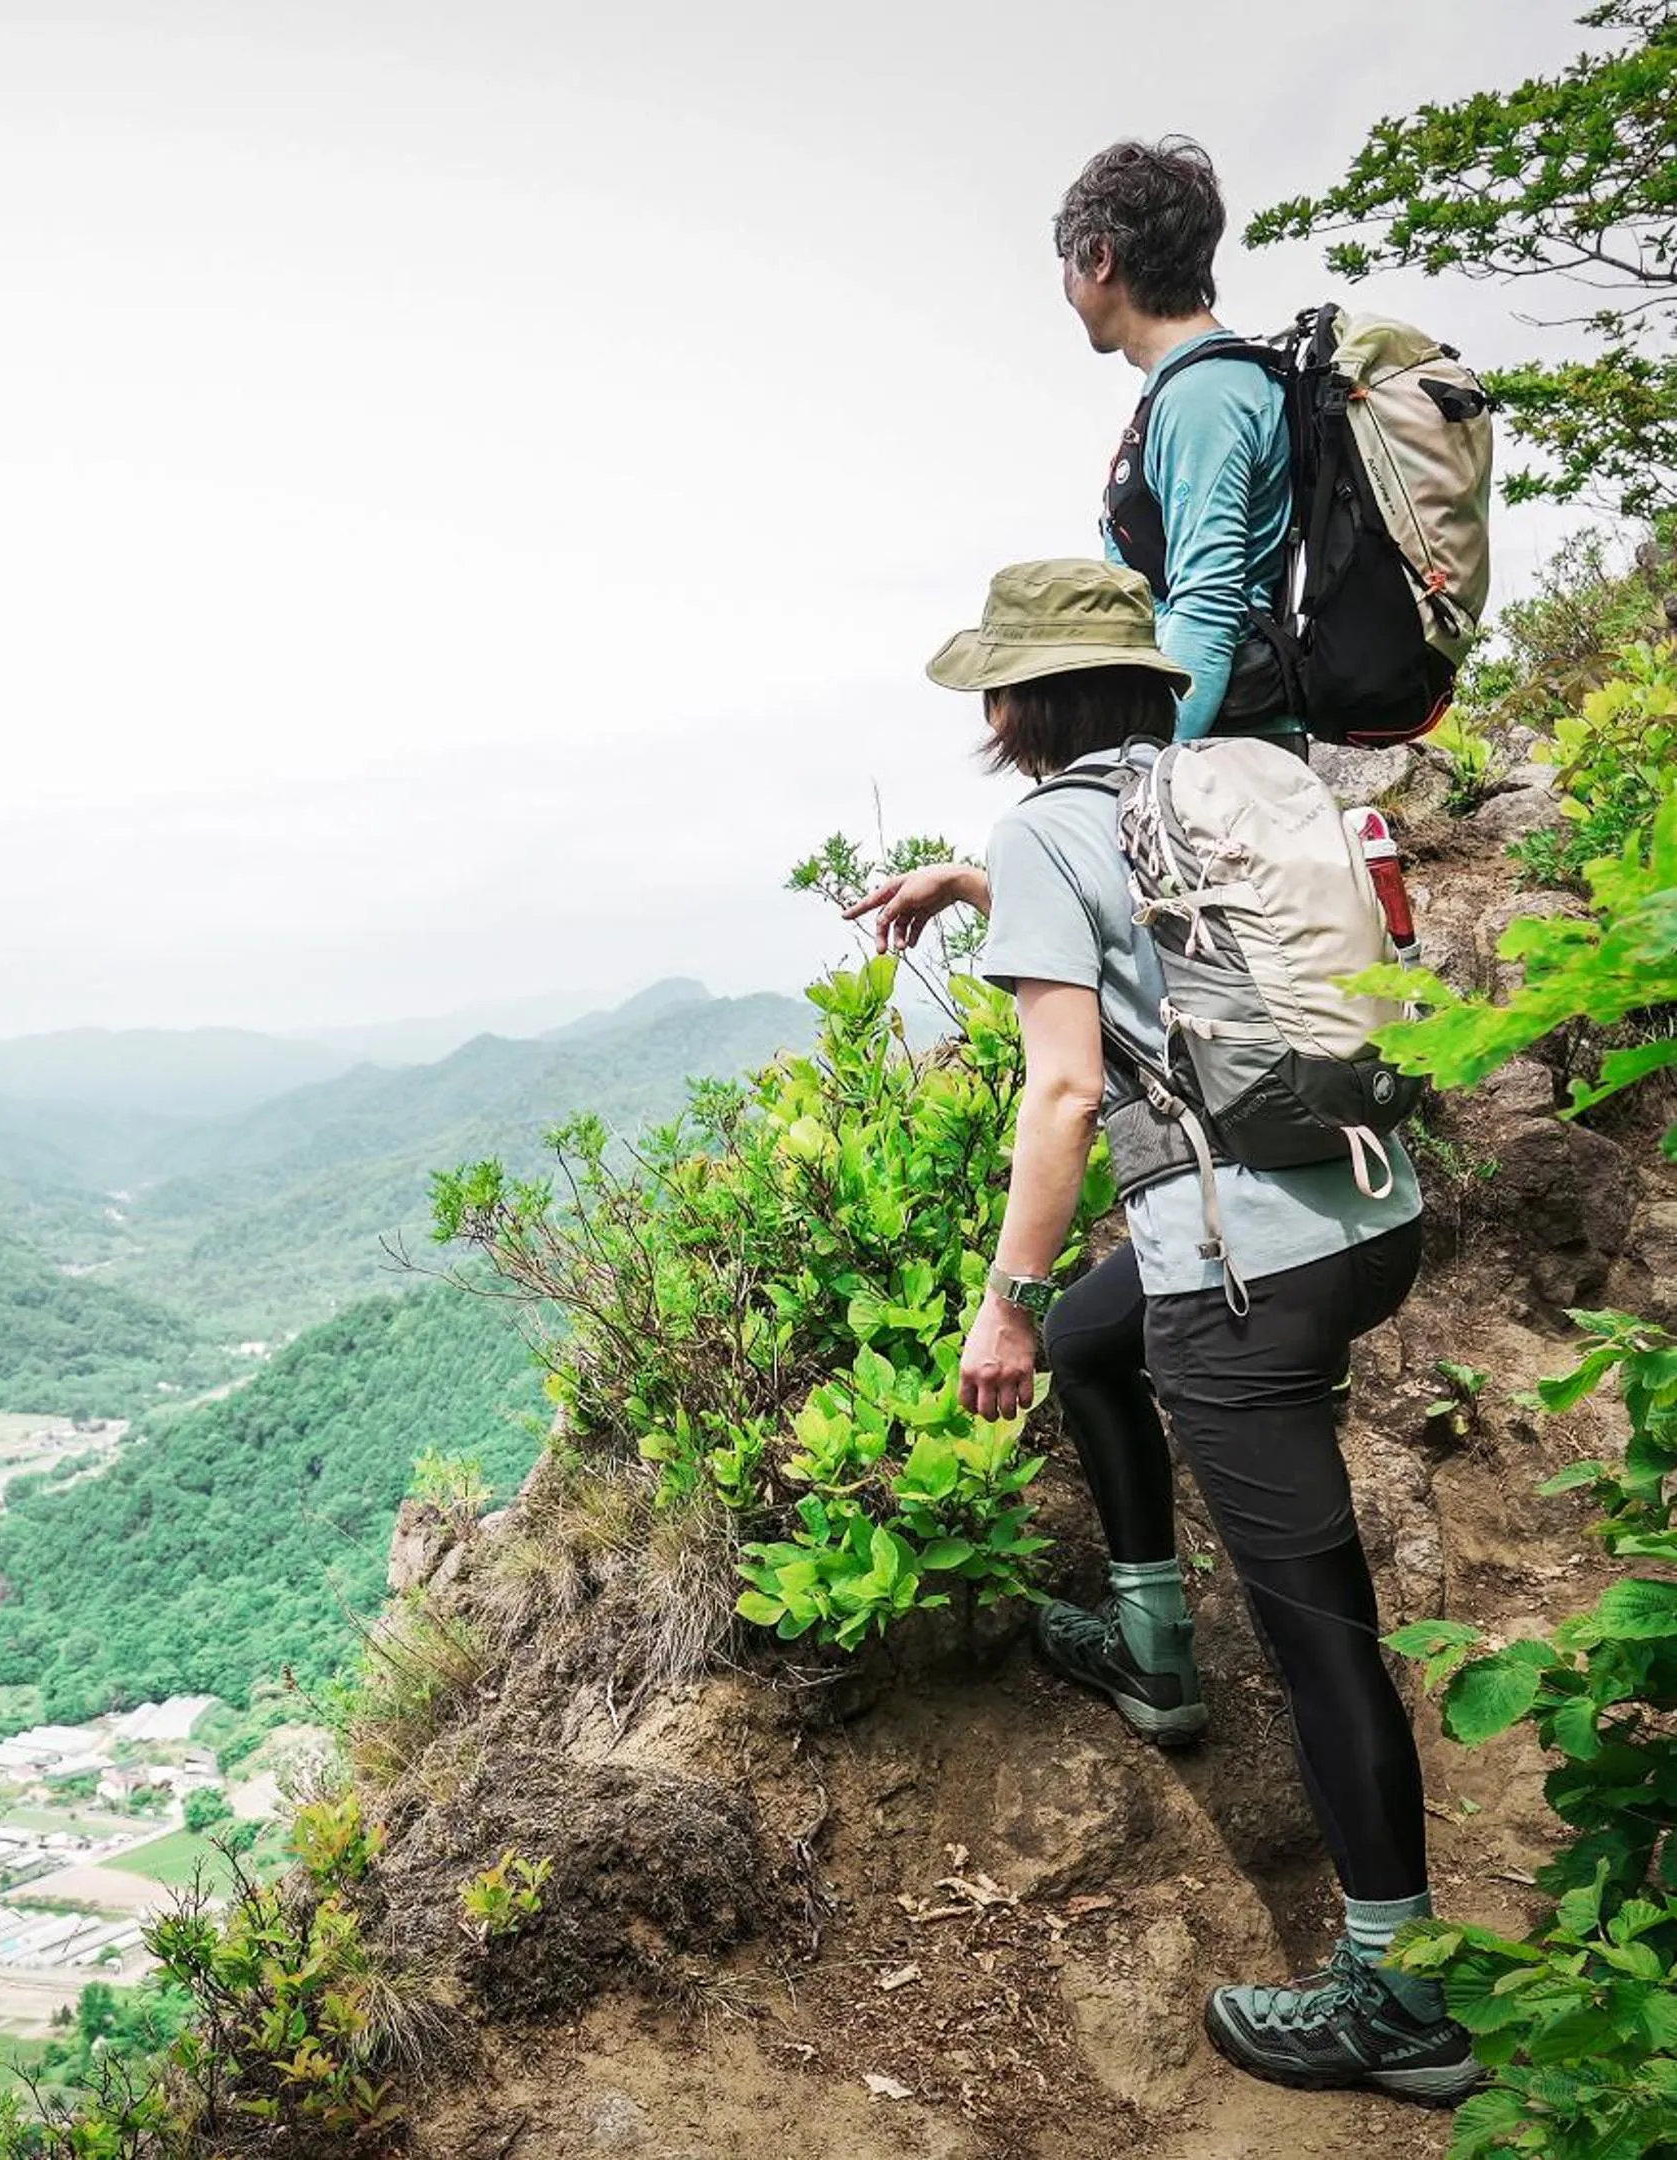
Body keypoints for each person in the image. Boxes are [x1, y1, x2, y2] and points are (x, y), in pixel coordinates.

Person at [850, 559, 1474, 2102]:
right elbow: (1175, 937)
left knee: (1322, 1631)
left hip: (1244, 1282)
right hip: (1370, 1217)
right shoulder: (1218, 779)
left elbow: (1062, 1088)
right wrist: (975, 888)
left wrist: (1000, 1300)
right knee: (1091, 1344)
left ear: (1014, 705)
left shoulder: (1046, 821)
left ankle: (1400, 1998)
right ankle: (1149, 1646)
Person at [1056, 137, 1300, 748]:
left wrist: (1137, 771)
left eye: (1067, 261)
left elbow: (1207, 604)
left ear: (1101, 258)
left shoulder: (1205, 396)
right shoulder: (1197, 386)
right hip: (1220, 745)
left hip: (1229, 758)